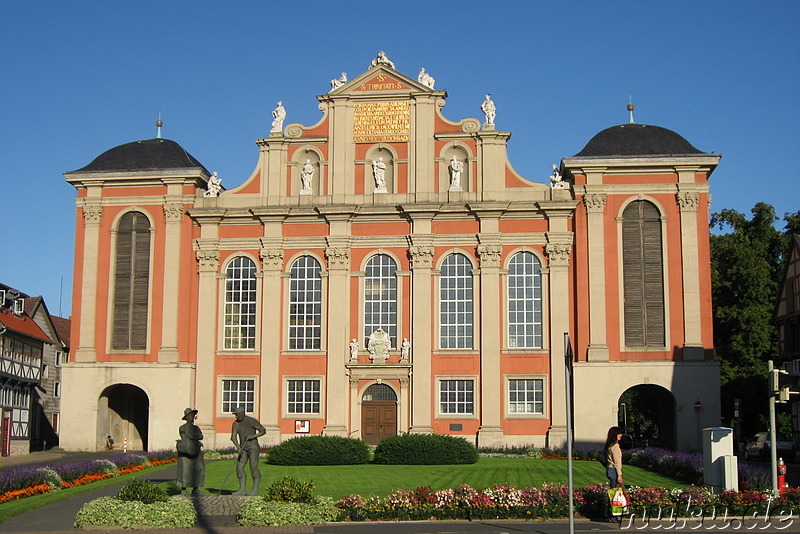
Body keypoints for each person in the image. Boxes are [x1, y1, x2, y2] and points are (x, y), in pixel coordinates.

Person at [231, 406, 266, 495]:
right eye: (235, 415)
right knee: (239, 468)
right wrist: (238, 448)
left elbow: (263, 430)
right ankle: (242, 489)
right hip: (243, 448)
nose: (236, 417)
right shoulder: (236, 424)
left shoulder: (251, 421)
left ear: (242, 413)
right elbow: (233, 437)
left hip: (253, 447)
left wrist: (253, 436)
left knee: (253, 467)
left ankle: (255, 490)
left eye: (237, 415)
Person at [176, 408, 204, 494]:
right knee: (185, 469)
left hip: (195, 449)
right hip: (186, 449)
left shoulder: (196, 428)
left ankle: (196, 488)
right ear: (186, 417)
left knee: (199, 468)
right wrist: (192, 437)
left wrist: (190, 436)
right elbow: (184, 437)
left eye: (192, 416)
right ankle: (183, 488)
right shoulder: (182, 427)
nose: (192, 417)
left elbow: (200, 436)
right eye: (190, 416)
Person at [603, 425, 625, 522]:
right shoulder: (615, 446)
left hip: (610, 470)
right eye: (619, 433)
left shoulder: (610, 445)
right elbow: (617, 462)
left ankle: (614, 514)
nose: (621, 435)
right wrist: (619, 475)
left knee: (615, 493)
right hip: (614, 471)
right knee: (617, 494)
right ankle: (613, 515)